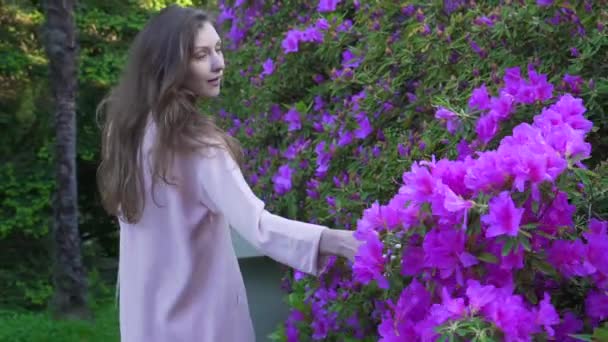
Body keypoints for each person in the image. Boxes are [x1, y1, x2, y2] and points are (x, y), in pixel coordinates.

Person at [96, 4, 360, 342]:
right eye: (201, 55)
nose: (219, 64)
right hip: (203, 328)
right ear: (169, 65)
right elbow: (258, 226)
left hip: (145, 328)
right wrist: (337, 240)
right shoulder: (199, 146)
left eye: (218, 49)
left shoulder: (123, 132)